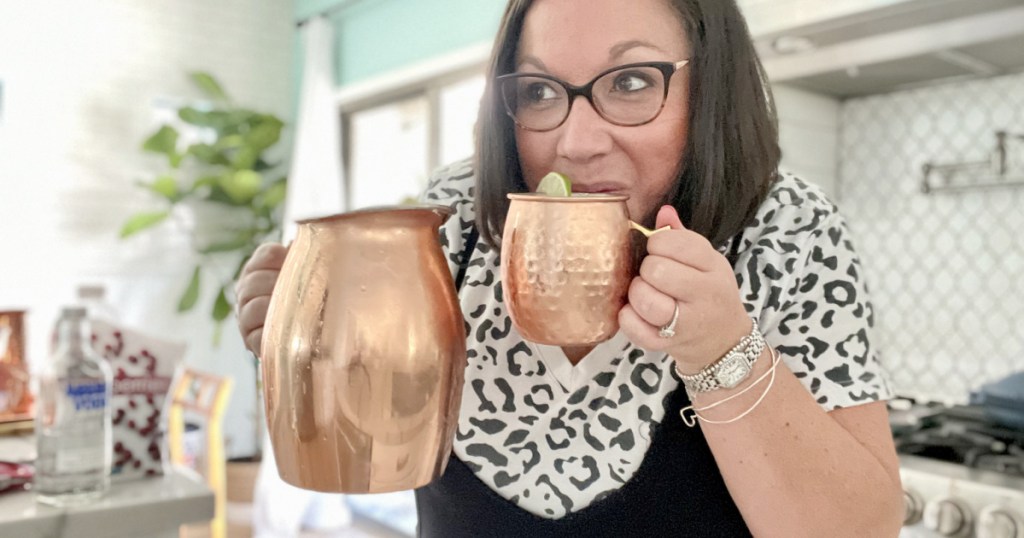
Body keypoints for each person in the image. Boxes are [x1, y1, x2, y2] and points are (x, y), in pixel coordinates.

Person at [236, 0, 905, 535]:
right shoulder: (455, 216)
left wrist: (722, 352)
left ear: (711, 89)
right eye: (537, 91)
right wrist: (312, 338)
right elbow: (367, 442)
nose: (575, 143)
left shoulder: (788, 231)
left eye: (632, 81)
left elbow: (863, 529)